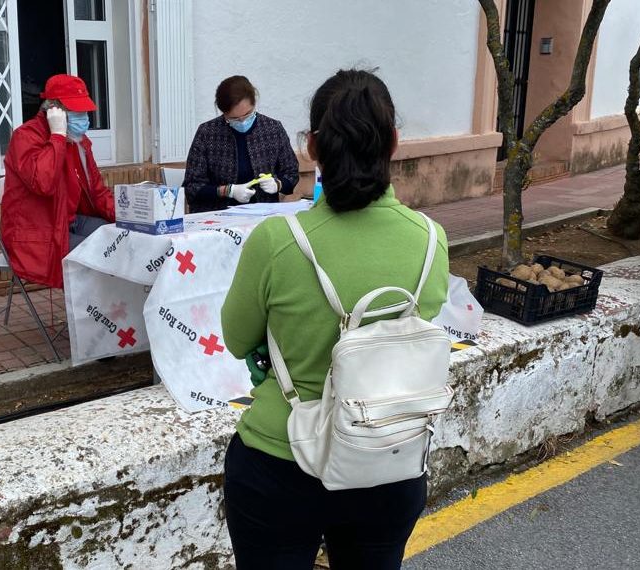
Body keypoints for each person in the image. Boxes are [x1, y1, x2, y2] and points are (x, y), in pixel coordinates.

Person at [219, 69, 450, 569]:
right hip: (388, 457)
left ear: (311, 147)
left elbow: (237, 339)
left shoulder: (277, 242)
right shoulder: (432, 240)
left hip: (281, 457)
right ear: (393, 142)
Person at [1, 74, 116, 288]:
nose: (83, 118)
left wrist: (128, 217)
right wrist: (57, 136)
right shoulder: (25, 137)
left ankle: (112, 307)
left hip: (68, 220)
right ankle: (91, 309)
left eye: (84, 112)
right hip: (38, 232)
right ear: (54, 111)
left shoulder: (78, 141)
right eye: (76, 112)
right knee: (100, 255)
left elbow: (97, 190)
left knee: (119, 238)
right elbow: (44, 183)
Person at [183, 76, 300, 213]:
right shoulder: (207, 133)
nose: (242, 121)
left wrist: (278, 184)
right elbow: (192, 187)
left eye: (248, 114)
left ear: (254, 103)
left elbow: (291, 172)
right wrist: (228, 191)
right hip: (218, 215)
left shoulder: (272, 129)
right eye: (234, 118)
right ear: (224, 113)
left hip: (263, 214)